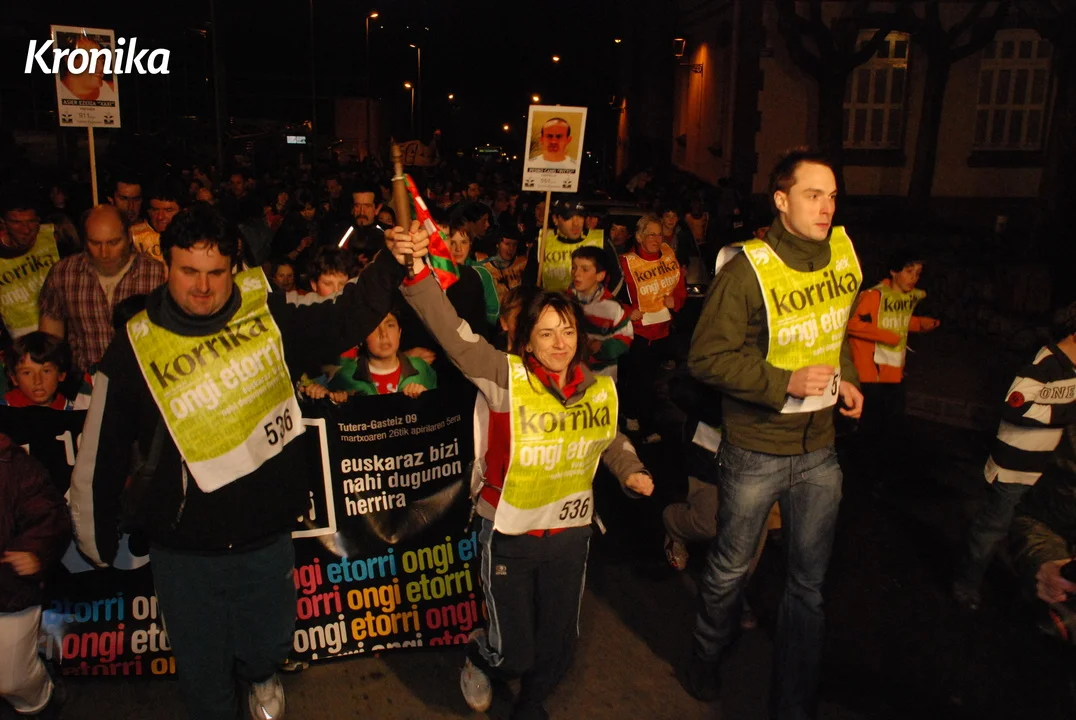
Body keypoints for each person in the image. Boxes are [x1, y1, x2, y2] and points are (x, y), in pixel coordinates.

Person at [68, 201, 416, 720]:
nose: (202, 287)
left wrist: (389, 263)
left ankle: (261, 673)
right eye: (189, 271)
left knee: (269, 637)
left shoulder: (267, 314)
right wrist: (95, 537)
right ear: (165, 265)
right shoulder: (134, 347)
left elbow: (341, 319)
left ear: (234, 267)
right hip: (182, 545)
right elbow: (102, 448)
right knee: (201, 664)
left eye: (216, 272)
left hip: (265, 533)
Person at [394, 221, 653, 720]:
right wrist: (417, 273)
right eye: (547, 333)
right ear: (527, 341)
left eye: (568, 331)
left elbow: (608, 437)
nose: (560, 343)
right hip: (508, 534)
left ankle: (531, 706)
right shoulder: (503, 378)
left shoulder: (595, 387)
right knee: (513, 650)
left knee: (557, 646)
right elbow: (452, 334)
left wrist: (630, 470)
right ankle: (480, 657)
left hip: (569, 537)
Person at [683, 149, 864, 719]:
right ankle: (705, 656)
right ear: (781, 200)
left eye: (832, 196)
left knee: (808, 586)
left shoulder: (840, 255)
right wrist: (784, 381)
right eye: (813, 195)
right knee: (731, 570)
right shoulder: (746, 271)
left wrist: (849, 378)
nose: (826, 207)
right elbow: (706, 359)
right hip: (756, 452)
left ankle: (793, 701)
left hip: (820, 451)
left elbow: (833, 330)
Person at [953, 301, 1076, 611]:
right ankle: (967, 583)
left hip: (1043, 467)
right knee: (992, 527)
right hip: (1015, 466)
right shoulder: (1046, 363)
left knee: (1024, 526)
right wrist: (1065, 411)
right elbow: (1015, 405)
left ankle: (1023, 583)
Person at [846, 250, 940, 487]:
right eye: (909, 271)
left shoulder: (900, 299)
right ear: (894, 271)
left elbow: (896, 322)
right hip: (871, 375)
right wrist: (885, 336)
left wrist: (919, 324)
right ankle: (862, 480)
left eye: (917, 273)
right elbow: (851, 323)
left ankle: (880, 476)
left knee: (891, 426)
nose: (914, 278)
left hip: (894, 372)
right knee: (871, 428)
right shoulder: (873, 296)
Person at [38, 204, 166, 374]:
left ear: (129, 237)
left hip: (141, 378)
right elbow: (50, 340)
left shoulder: (157, 275)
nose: (104, 253)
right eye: (95, 243)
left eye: (113, 242)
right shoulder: (63, 274)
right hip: (85, 380)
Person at [0, 432, 71, 719]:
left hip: (8, 589)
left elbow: (49, 516)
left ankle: (43, 701)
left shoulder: (15, 466)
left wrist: (34, 551)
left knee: (12, 679)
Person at [618, 213, 687, 441]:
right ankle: (637, 420)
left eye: (659, 235)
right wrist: (628, 311)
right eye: (651, 235)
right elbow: (611, 295)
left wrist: (676, 302)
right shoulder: (625, 263)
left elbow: (680, 289)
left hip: (664, 332)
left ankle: (646, 420)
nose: (657, 240)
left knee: (656, 382)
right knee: (639, 380)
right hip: (638, 332)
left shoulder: (668, 257)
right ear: (639, 237)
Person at [324, 309, 437, 397]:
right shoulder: (346, 376)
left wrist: (425, 398)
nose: (384, 334)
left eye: (390, 325)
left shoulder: (421, 368)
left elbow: (437, 409)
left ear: (399, 332)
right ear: (362, 337)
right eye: (373, 327)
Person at [523, 199, 623, 295]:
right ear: (555, 219)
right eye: (568, 217)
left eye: (580, 216)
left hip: (589, 305)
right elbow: (528, 279)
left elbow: (618, 276)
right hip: (553, 304)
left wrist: (603, 300)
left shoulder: (600, 240)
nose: (576, 224)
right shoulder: (543, 241)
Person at [0, 193, 60, 339]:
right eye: (17, 223)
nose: (26, 230)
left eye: (31, 222)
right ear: (3, 223)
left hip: (61, 332)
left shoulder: (53, 238)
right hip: (19, 341)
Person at [567, 246, 632, 380]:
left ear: (600, 275)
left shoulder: (612, 307)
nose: (576, 274)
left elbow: (626, 338)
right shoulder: (565, 301)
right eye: (574, 267)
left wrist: (602, 348)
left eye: (585, 269)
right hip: (572, 373)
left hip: (602, 375)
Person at [0, 332, 74, 410]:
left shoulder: (74, 409)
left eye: (46, 371)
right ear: (14, 378)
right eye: (27, 373)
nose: (38, 381)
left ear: (61, 374)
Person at [130, 177, 186, 266]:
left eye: (168, 210)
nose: (160, 217)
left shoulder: (192, 238)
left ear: (183, 211)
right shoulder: (132, 236)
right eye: (155, 210)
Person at [481, 226, 528, 302]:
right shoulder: (483, 265)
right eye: (507, 244)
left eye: (514, 245)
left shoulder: (522, 264)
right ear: (497, 244)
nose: (511, 249)